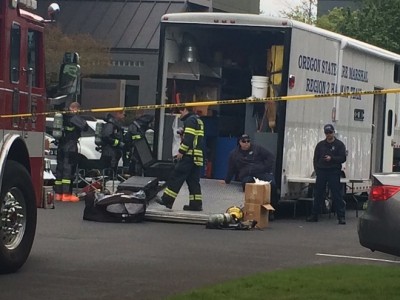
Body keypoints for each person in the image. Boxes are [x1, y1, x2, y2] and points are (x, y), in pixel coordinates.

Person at [156, 107, 204, 211]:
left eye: (179, 113)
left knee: (176, 176)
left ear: (184, 110)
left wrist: (181, 151)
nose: (179, 116)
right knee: (193, 181)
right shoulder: (197, 119)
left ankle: (167, 200)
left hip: (189, 155)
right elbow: (194, 137)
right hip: (197, 157)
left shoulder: (190, 120)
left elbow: (190, 138)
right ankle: (196, 204)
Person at [306, 124, 347, 225]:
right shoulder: (320, 145)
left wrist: (332, 158)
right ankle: (314, 215)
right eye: (326, 133)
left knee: (336, 194)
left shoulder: (339, 145)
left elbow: (343, 158)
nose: (328, 135)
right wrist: (317, 169)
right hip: (322, 171)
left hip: (334, 171)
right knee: (318, 193)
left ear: (333, 132)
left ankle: (341, 217)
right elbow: (315, 158)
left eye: (330, 132)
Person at [220, 134, 277, 204]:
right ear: (240, 142)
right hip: (247, 175)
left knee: (273, 184)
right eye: (244, 141)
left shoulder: (257, 148)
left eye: (248, 141)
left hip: (261, 172)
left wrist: (265, 168)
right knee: (246, 185)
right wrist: (227, 180)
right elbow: (231, 168)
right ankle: (252, 205)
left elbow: (270, 157)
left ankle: (273, 206)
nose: (246, 143)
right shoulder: (234, 154)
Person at [54, 102, 88, 202]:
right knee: (68, 170)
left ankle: (58, 194)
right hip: (70, 147)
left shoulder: (62, 117)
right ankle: (67, 194)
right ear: (75, 109)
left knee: (59, 169)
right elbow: (85, 127)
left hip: (61, 146)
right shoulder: (73, 117)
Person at [100, 110, 125, 178]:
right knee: (109, 174)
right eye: (123, 114)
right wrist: (118, 143)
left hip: (113, 153)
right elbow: (106, 136)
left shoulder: (115, 125)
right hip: (109, 154)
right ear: (118, 114)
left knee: (112, 173)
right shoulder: (110, 125)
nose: (124, 117)